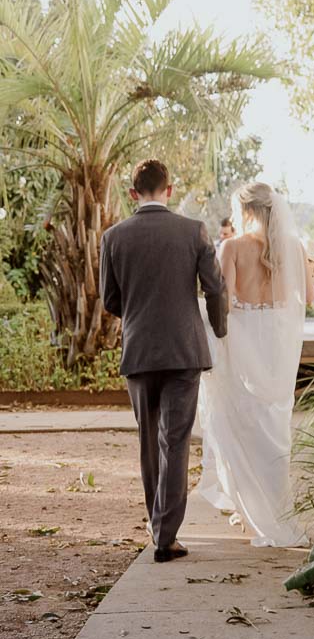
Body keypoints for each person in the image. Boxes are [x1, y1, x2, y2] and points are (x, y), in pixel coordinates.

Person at [99, 159, 228, 563]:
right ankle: (166, 536)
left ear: (133, 193)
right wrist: (220, 330)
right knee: (176, 441)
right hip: (184, 350)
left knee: (149, 442)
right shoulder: (194, 231)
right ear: (169, 190)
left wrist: (139, 316)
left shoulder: (113, 237)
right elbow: (215, 289)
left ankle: (158, 527)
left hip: (139, 351)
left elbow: (110, 299)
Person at [196, 182, 313, 548]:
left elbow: (224, 300)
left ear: (245, 211)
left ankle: (252, 511)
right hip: (277, 346)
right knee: (274, 426)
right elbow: (308, 297)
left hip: (243, 344)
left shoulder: (232, 247)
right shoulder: (293, 248)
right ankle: (278, 513)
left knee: (238, 425)